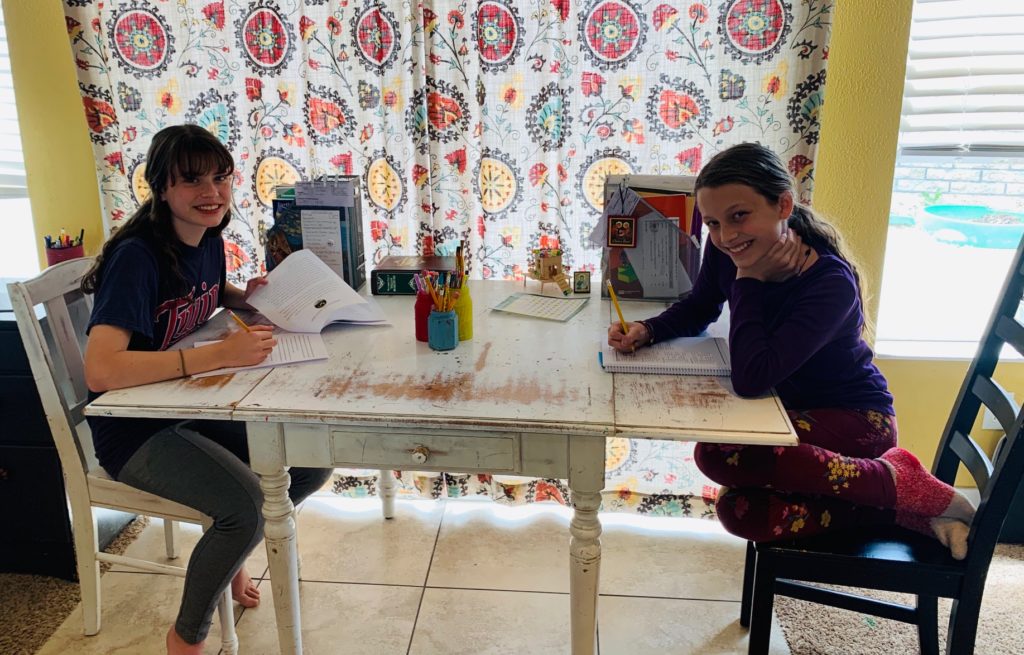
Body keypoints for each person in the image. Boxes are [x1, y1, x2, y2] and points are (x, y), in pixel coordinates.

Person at [607, 142, 975, 560]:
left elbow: (752, 378)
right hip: (787, 414)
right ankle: (892, 507)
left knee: (717, 452)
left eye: (740, 216)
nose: (726, 236)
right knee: (742, 510)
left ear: (784, 204)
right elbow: (701, 306)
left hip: (857, 421)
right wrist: (647, 329)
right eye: (712, 223)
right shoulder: (728, 247)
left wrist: (747, 281)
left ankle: (896, 482)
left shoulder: (829, 282)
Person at [81, 124, 333, 654]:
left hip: (185, 407)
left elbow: (208, 291)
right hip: (131, 433)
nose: (212, 193)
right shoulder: (137, 258)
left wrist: (246, 298)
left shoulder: (205, 238)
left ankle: (230, 560)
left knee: (312, 459)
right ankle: (187, 638)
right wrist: (217, 355)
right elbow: (100, 371)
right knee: (244, 506)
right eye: (193, 181)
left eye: (221, 178)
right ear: (161, 188)